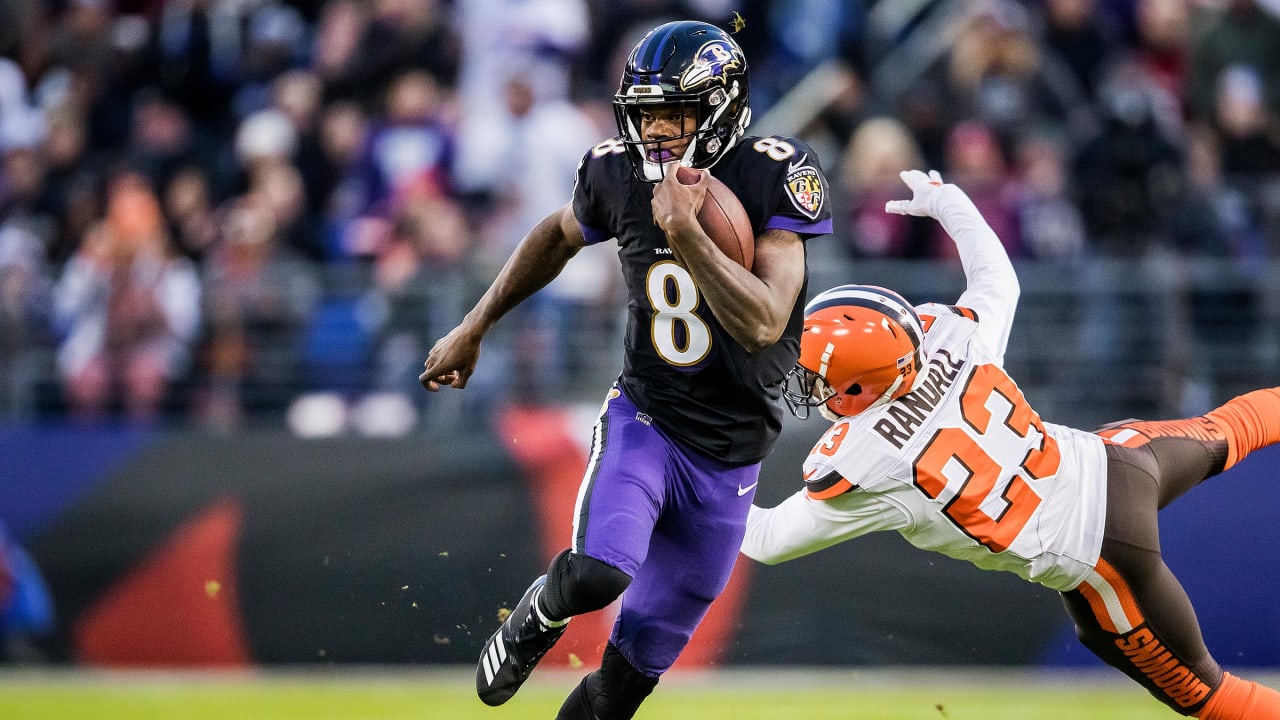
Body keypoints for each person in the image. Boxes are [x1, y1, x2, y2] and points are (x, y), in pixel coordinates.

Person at [741, 169, 1280, 719]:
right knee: (1237, 425)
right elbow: (999, 278)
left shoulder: (870, 465)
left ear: (860, 384)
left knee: (1205, 693)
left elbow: (762, 540)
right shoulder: (955, 339)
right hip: (1117, 459)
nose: (807, 384)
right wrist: (949, 202)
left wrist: (700, 459)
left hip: (1103, 556)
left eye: (818, 377)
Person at [419, 20, 832, 720]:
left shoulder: (774, 170)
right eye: (645, 115)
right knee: (599, 572)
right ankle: (538, 612)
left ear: (720, 108)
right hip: (650, 420)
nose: (657, 133)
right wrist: (475, 324)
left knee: (620, 691)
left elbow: (765, 321)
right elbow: (556, 233)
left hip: (733, 460)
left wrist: (686, 234)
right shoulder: (617, 170)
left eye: (672, 113)